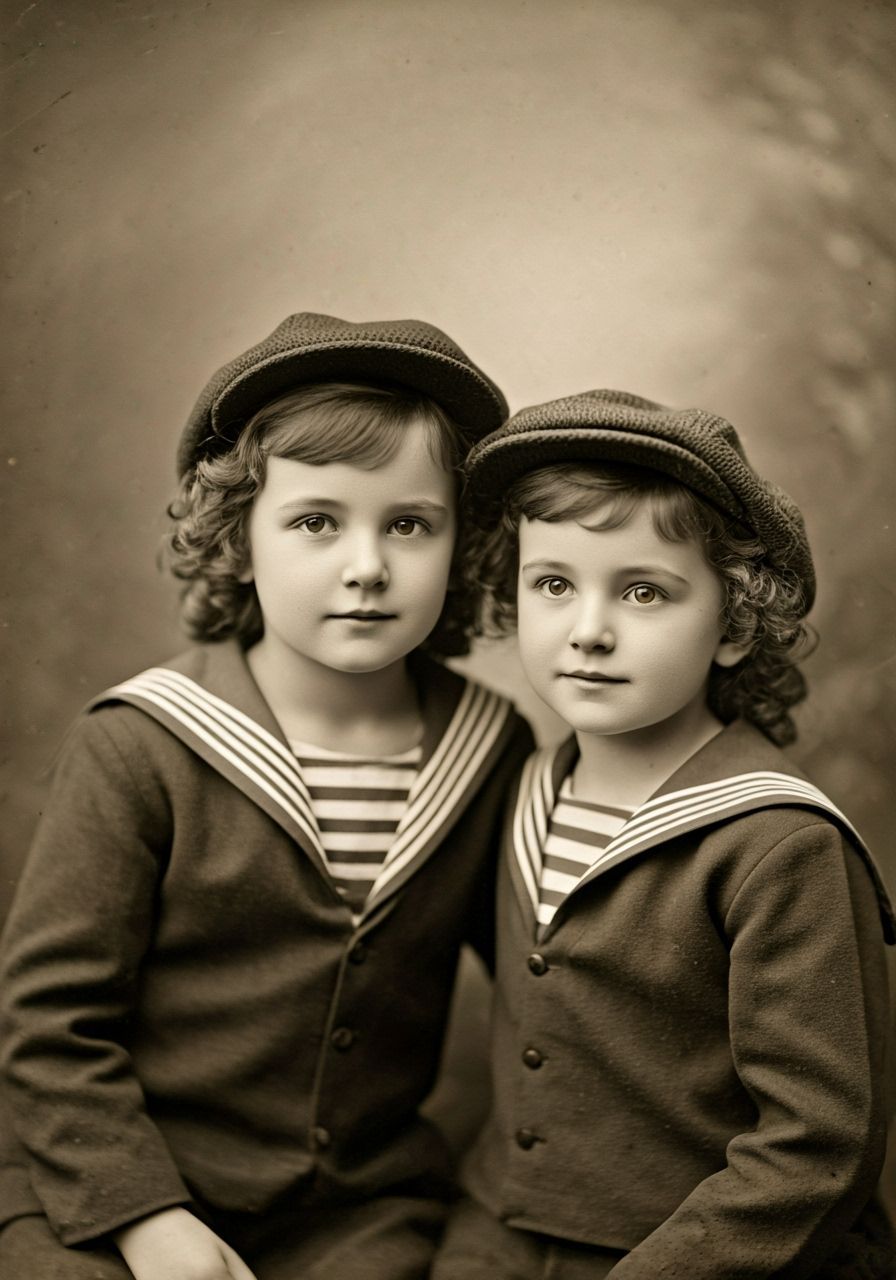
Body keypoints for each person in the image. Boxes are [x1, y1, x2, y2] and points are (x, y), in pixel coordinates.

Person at [0, 312, 533, 1280]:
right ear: (238, 537)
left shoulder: (490, 749)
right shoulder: (138, 744)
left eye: (408, 524)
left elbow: (540, 1000)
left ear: (461, 546)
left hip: (355, 1209)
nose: (366, 566)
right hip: (116, 1182)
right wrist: (146, 1218)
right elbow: (47, 1024)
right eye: (316, 521)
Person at [432, 389, 895, 1279]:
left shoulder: (777, 844)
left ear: (730, 624)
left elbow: (817, 1147)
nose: (589, 631)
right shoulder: (523, 784)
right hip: (503, 1234)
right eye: (554, 585)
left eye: (643, 591)